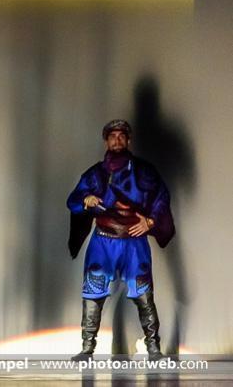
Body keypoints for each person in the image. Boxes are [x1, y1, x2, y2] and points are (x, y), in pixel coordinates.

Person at [67, 120, 175, 361]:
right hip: (103, 242)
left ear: (128, 140)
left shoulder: (145, 172)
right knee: (93, 294)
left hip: (134, 242)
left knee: (144, 295)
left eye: (121, 136)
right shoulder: (95, 174)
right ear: (106, 141)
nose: (117, 140)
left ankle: (154, 349)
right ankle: (87, 349)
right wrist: (86, 200)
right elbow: (73, 200)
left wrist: (150, 222)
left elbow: (162, 197)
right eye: (112, 136)